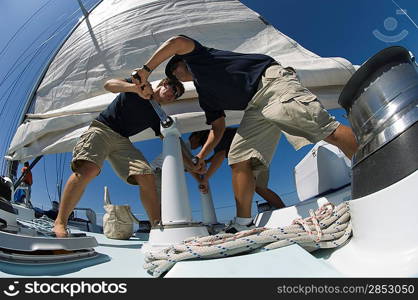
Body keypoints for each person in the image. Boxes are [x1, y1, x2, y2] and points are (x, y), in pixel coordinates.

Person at [132, 35, 358, 233]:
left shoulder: (201, 58)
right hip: (254, 106)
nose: (177, 78)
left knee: (324, 129)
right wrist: (201, 156)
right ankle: (243, 221)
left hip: (270, 82)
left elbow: (177, 42)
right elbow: (218, 127)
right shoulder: (204, 95)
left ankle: (374, 169)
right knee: (239, 157)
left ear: (180, 62)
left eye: (175, 72)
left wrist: (146, 69)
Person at [52, 76, 186, 237]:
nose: (174, 95)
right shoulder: (140, 85)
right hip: (103, 128)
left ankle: (157, 226)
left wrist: (193, 164)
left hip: (123, 140)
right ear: (164, 83)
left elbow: (169, 138)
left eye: (177, 95)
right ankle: (60, 222)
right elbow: (109, 85)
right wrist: (135, 88)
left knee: (147, 175)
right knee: (88, 170)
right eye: (174, 90)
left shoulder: (158, 114)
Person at [189, 128, 285, 209]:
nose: (190, 143)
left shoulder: (212, 135)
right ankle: (282, 209)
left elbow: (220, 155)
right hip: (258, 150)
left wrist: (205, 179)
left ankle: (244, 220)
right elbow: (221, 151)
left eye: (190, 140)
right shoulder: (217, 135)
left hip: (251, 154)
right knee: (260, 188)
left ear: (196, 135)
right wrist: (207, 161)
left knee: (248, 188)